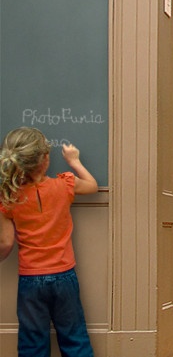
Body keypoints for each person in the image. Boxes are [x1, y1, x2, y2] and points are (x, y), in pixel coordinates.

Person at [0, 127, 98, 357]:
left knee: (32, 344)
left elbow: (6, 243)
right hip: (64, 276)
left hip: (30, 279)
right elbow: (92, 185)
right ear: (45, 159)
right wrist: (74, 161)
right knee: (75, 339)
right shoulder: (64, 185)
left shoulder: (9, 197)